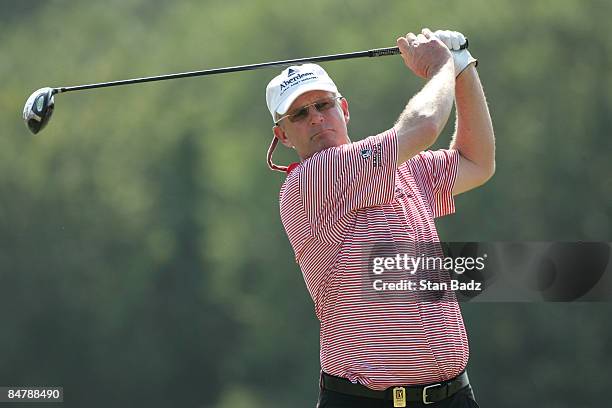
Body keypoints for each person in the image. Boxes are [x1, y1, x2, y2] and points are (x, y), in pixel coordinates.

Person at [264, 28, 494, 407]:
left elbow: (477, 162)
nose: (317, 119)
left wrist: (464, 67)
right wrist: (441, 66)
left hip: (452, 395)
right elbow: (423, 126)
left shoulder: (401, 167)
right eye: (300, 114)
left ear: (345, 109)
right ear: (283, 135)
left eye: (324, 105)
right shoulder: (311, 180)